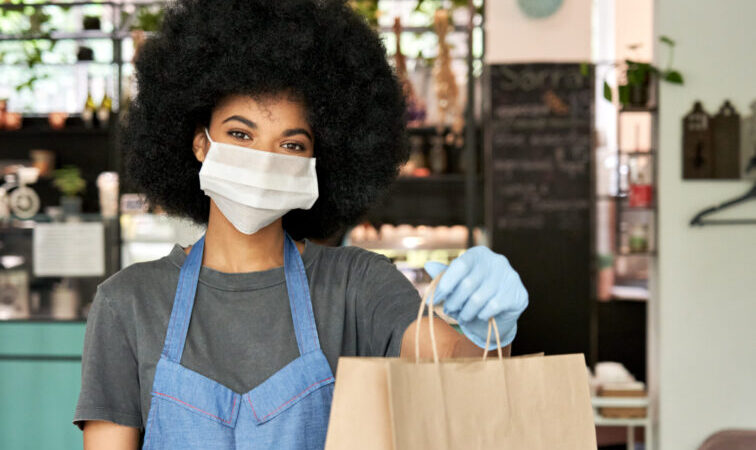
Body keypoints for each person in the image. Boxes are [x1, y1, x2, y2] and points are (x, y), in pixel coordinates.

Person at [74, 1, 529, 448]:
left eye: (291, 145)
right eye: (240, 135)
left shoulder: (357, 286)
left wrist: (490, 331)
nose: (262, 160)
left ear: (318, 161)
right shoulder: (127, 303)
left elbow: (459, 370)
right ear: (199, 143)